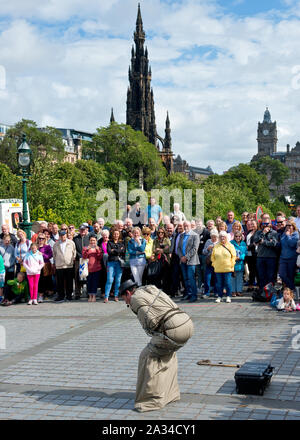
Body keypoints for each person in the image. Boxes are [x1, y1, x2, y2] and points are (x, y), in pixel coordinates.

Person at [119, 279, 194, 412]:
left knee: (147, 356)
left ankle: (150, 400)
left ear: (128, 293)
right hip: (186, 323)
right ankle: (171, 394)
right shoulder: (149, 290)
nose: (126, 302)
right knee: (168, 354)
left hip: (174, 331)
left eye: (124, 298)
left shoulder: (135, 299)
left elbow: (151, 324)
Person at [253, 213, 278, 292]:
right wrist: (263, 233)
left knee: (270, 276)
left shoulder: (274, 233)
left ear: (270, 223)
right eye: (264, 224)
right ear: (262, 223)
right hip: (260, 257)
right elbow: (255, 241)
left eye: (267, 224)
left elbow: (274, 243)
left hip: (271, 257)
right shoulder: (258, 232)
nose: (266, 225)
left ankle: (270, 292)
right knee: (261, 276)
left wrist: (263, 242)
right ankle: (262, 292)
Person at [177, 221, 200, 302]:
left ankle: (194, 295)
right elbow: (178, 248)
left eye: (187, 225)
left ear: (190, 226)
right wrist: (181, 257)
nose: (186, 227)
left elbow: (195, 249)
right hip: (182, 260)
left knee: (191, 278)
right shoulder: (181, 235)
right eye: (184, 225)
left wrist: (186, 257)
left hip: (191, 260)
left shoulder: (195, 235)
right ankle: (188, 294)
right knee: (185, 279)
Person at [211, 231, 236, 303]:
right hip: (218, 268)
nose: (222, 238)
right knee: (219, 283)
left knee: (227, 283)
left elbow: (233, 256)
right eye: (221, 236)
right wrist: (214, 264)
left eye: (224, 236)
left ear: (226, 237)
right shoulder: (216, 246)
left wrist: (231, 264)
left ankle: (228, 296)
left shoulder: (230, 246)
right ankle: (220, 296)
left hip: (227, 268)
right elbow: (212, 257)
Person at [52, 230, 76, 302]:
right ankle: (61, 296)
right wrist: (55, 262)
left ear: (66, 235)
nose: (63, 237)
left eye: (64, 235)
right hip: (59, 265)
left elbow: (74, 252)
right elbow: (54, 254)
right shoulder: (56, 244)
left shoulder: (71, 243)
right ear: (59, 236)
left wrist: (72, 259)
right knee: (60, 282)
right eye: (62, 236)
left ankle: (69, 295)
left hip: (69, 265)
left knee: (69, 281)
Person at [104, 227, 125, 303]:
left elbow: (123, 251)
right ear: (112, 235)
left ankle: (116, 295)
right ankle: (106, 296)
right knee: (109, 279)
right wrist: (118, 250)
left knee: (118, 280)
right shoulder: (109, 242)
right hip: (111, 262)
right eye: (114, 234)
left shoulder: (121, 243)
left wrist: (114, 250)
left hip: (119, 263)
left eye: (117, 234)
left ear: (119, 235)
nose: (116, 235)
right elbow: (109, 251)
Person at [279, 220, 299, 291]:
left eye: (289, 225)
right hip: (283, 258)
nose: (288, 227)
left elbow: (292, 244)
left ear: (293, 226)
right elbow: (281, 244)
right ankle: (292, 288)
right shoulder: (284, 234)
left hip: (292, 258)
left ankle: (289, 292)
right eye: (287, 225)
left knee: (290, 276)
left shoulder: (296, 234)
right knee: (282, 274)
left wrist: (288, 235)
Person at [82, 236, 102, 302]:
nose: (92, 242)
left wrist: (98, 250)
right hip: (88, 269)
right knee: (89, 283)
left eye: (94, 240)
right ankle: (90, 295)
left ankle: (94, 296)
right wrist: (87, 249)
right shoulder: (85, 248)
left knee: (95, 283)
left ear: (96, 241)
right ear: (89, 241)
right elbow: (84, 257)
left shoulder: (98, 248)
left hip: (96, 268)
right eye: (91, 240)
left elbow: (100, 257)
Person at [151, 227, 171, 292]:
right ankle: (158, 290)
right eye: (159, 232)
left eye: (162, 232)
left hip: (165, 260)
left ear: (164, 233)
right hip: (158, 259)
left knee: (166, 276)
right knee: (157, 276)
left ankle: (166, 291)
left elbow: (168, 249)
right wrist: (162, 250)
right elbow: (154, 250)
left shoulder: (167, 240)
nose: (160, 233)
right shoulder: (155, 240)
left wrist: (160, 250)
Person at [73, 224, 90, 300]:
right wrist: (79, 255)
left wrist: (86, 255)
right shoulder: (75, 238)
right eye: (81, 230)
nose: (82, 231)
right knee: (77, 276)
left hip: (87, 259)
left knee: (87, 276)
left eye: (84, 230)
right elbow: (74, 249)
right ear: (79, 230)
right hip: (78, 259)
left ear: (86, 230)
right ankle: (77, 293)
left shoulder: (89, 238)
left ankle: (88, 292)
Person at [36, 232, 53, 302]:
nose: (41, 240)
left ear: (45, 239)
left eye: (42, 239)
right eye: (39, 238)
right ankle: (40, 295)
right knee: (39, 281)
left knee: (46, 280)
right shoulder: (35, 245)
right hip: (36, 265)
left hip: (45, 265)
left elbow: (50, 256)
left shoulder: (47, 246)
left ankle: (46, 294)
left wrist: (42, 254)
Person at [202, 229, 219, 297]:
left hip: (217, 262)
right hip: (209, 262)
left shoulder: (219, 242)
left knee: (216, 278)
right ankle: (207, 292)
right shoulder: (208, 241)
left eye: (215, 237)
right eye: (212, 237)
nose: (213, 238)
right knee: (207, 278)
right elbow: (203, 251)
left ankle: (216, 292)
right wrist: (207, 249)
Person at [230, 231, 247, 297]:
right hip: (233, 262)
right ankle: (233, 291)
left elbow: (244, 252)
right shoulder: (231, 243)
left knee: (239, 278)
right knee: (233, 278)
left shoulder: (243, 243)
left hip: (240, 262)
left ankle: (239, 291)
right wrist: (234, 258)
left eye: (239, 236)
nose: (238, 237)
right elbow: (229, 251)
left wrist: (241, 257)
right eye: (236, 236)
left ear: (241, 237)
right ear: (234, 237)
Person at [245, 220, 259, 292]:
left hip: (255, 253)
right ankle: (251, 285)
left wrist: (248, 246)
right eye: (251, 224)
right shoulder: (249, 232)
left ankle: (257, 286)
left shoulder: (258, 232)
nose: (252, 225)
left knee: (256, 270)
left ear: (257, 224)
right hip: (249, 253)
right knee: (251, 270)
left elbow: (255, 242)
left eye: (253, 224)